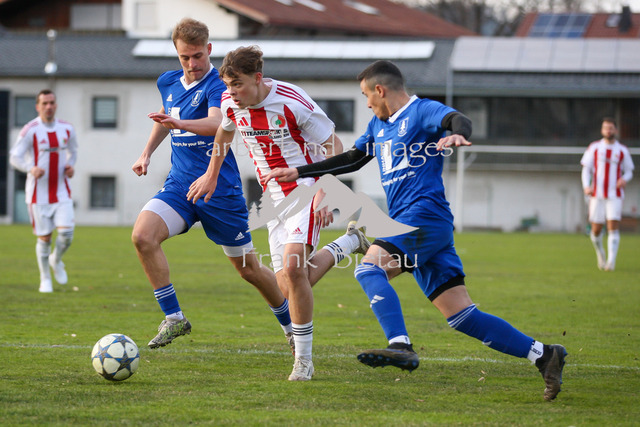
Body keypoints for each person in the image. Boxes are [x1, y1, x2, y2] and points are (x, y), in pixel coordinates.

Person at [261, 60, 568, 401]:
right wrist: (300, 171)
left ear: (380, 90)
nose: (367, 104)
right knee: (462, 316)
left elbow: (457, 119)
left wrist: (458, 133)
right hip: (422, 226)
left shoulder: (421, 111)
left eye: (366, 95)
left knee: (368, 269)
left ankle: (400, 345)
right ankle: (544, 354)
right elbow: (352, 159)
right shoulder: (379, 125)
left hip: (423, 216)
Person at [185, 46, 370, 381]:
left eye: (238, 84)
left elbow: (334, 146)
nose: (231, 92)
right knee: (289, 285)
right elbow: (224, 132)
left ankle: (304, 361)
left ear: (258, 78)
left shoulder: (291, 101)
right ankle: (348, 243)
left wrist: (325, 191)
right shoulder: (230, 103)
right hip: (273, 201)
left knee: (295, 270)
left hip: (307, 190)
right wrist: (211, 174)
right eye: (227, 85)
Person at [131, 18, 295, 353]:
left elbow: (217, 122)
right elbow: (166, 114)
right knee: (143, 237)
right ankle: (174, 317)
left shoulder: (219, 85)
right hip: (180, 185)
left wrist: (180, 123)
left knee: (249, 270)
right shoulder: (167, 81)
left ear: (208, 49)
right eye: (185, 57)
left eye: (197, 56)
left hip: (219, 190)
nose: (192, 64)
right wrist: (146, 153)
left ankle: (292, 327)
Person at [10, 89, 78, 293]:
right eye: (44, 103)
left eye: (51, 103)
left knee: (67, 234)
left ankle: (55, 259)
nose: (48, 107)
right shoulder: (30, 130)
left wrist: (71, 166)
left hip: (61, 191)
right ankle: (45, 279)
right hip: (37, 194)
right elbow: (14, 157)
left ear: (55, 105)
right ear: (37, 106)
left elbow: (73, 151)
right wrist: (30, 168)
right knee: (45, 238)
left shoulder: (67, 128)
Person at [581, 117, 634, 271]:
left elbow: (629, 171)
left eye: (611, 128)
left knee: (613, 226)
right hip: (597, 194)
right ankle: (600, 252)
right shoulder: (594, 147)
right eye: (606, 128)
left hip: (614, 194)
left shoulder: (622, 150)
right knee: (596, 230)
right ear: (602, 130)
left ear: (615, 130)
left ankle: (611, 261)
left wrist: (624, 179)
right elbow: (586, 169)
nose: (608, 131)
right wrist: (586, 186)